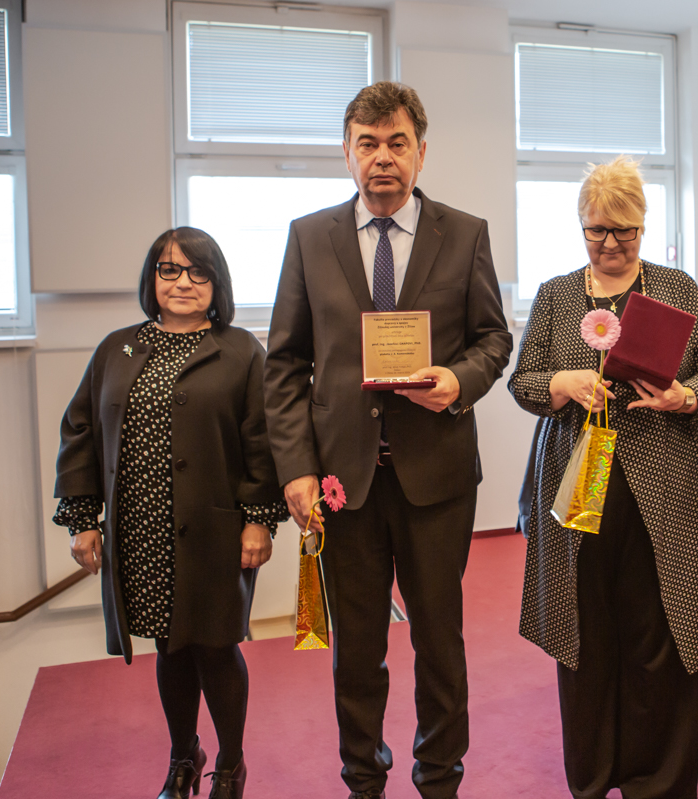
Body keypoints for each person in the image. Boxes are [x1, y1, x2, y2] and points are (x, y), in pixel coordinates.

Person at [263, 81, 512, 799]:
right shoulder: (309, 237)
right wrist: (296, 471)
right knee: (358, 647)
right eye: (367, 144)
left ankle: (440, 779)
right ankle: (363, 779)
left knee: (439, 640)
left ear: (421, 153)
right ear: (346, 153)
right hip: (343, 481)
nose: (382, 158)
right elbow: (286, 363)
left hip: (436, 476)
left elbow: (494, 338)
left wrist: (458, 380)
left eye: (397, 143)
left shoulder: (464, 233)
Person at [509, 156, 698, 799]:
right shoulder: (556, 295)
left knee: (660, 631)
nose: (609, 244)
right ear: (581, 225)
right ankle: (594, 775)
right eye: (596, 230)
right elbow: (523, 383)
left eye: (623, 231)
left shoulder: (676, 288)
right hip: (581, 483)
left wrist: (687, 396)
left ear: (643, 225)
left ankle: (657, 781)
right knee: (586, 631)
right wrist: (561, 382)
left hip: (667, 484)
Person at [53, 227, 287, 799]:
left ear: (216, 282)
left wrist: (260, 518)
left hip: (215, 530)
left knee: (216, 645)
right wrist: (83, 519)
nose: (183, 282)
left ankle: (229, 765)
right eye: (169, 269)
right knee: (168, 644)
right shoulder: (116, 348)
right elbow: (80, 432)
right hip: (141, 529)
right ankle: (184, 758)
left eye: (198, 271)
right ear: (152, 278)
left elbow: (263, 441)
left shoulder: (241, 351)